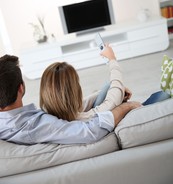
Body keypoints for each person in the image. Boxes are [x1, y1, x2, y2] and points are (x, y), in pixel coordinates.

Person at [0, 54, 141, 145]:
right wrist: (126, 107)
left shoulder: (11, 123)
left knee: (105, 89)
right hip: (100, 122)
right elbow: (91, 130)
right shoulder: (36, 125)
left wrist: (100, 94)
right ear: (21, 88)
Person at [40, 44, 130, 121]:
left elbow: (83, 104)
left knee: (108, 86)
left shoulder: (51, 113)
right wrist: (112, 58)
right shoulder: (82, 119)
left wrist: (113, 89)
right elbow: (111, 102)